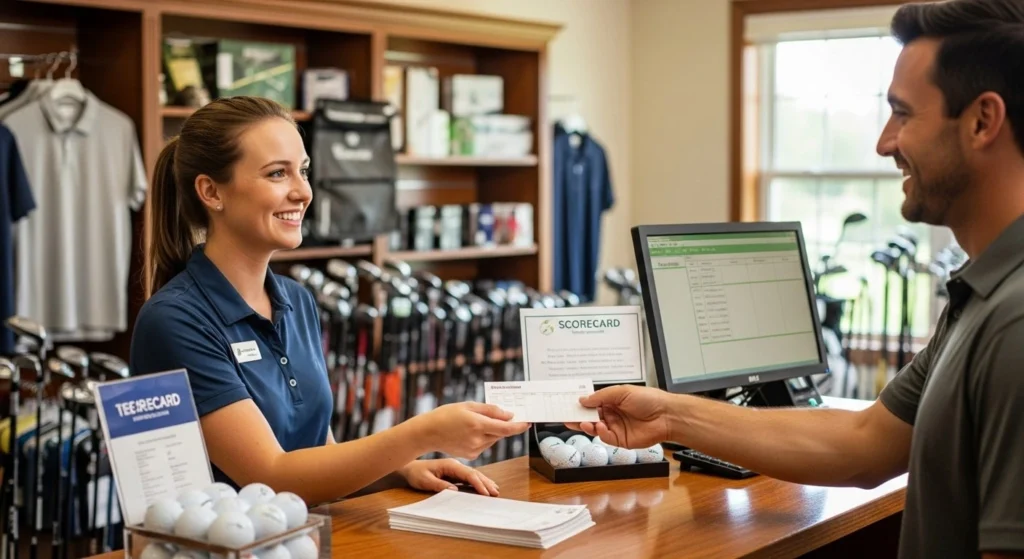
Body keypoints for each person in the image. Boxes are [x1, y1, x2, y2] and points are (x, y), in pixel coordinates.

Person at [571, 1, 1024, 558]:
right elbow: (864, 444)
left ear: (983, 120)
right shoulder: (982, 296)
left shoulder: (1016, 322)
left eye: (903, 114)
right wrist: (668, 414)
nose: (885, 142)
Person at [130, 96, 529, 506]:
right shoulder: (175, 321)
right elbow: (271, 476)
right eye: (277, 173)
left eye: (303, 171)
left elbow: (318, 454)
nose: (303, 191)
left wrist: (401, 470)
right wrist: (422, 433)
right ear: (211, 191)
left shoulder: (296, 301)